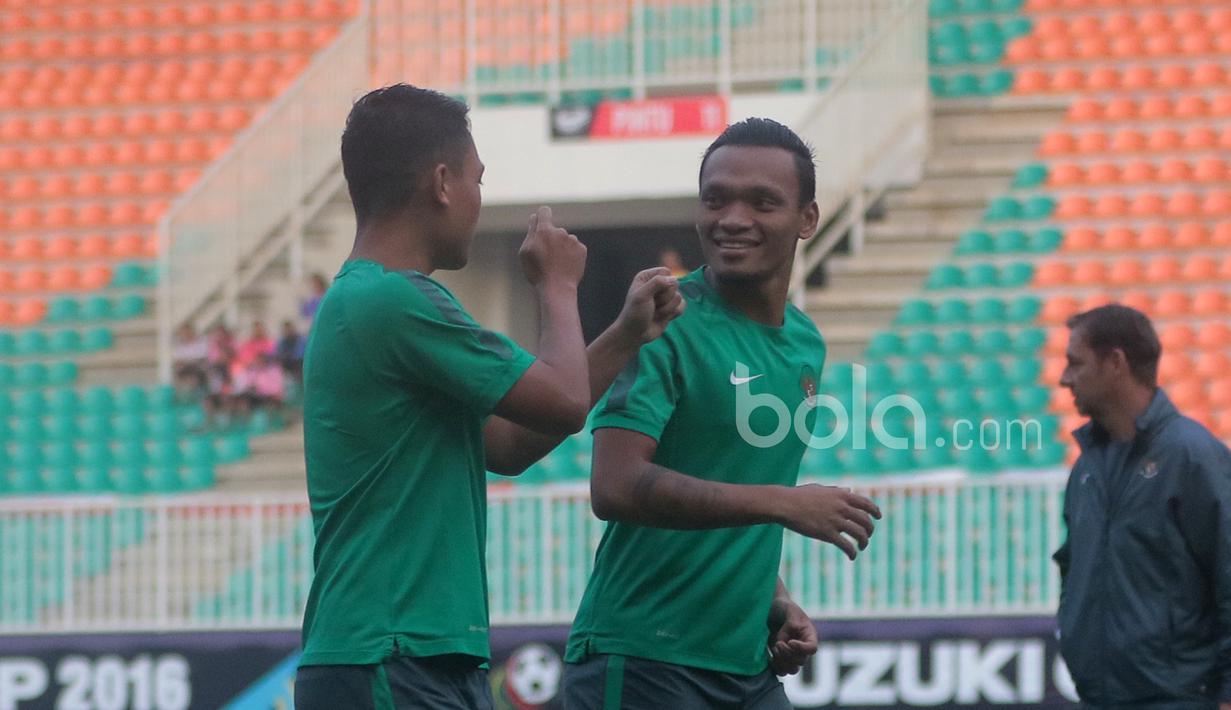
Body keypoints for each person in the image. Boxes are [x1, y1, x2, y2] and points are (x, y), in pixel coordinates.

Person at [294, 84, 683, 710]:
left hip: (409, 654)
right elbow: (560, 400)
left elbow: (509, 445)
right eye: (478, 179)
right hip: (391, 653)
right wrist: (557, 285)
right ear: (443, 183)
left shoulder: (370, 303)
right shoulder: (395, 301)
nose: (480, 198)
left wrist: (625, 335)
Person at [562, 118, 883, 709]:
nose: (733, 218)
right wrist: (784, 503)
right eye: (716, 200)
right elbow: (614, 486)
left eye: (763, 201)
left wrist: (775, 600)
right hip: (643, 664)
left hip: (745, 665)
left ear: (808, 220)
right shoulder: (664, 321)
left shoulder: (805, 344)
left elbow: (731, 484)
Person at [1054, 304, 1231, 709]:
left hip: (1178, 699)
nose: (1065, 378)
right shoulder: (1086, 466)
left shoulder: (1193, 457)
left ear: (1115, 363)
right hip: (1099, 698)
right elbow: (1073, 565)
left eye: (1075, 363)